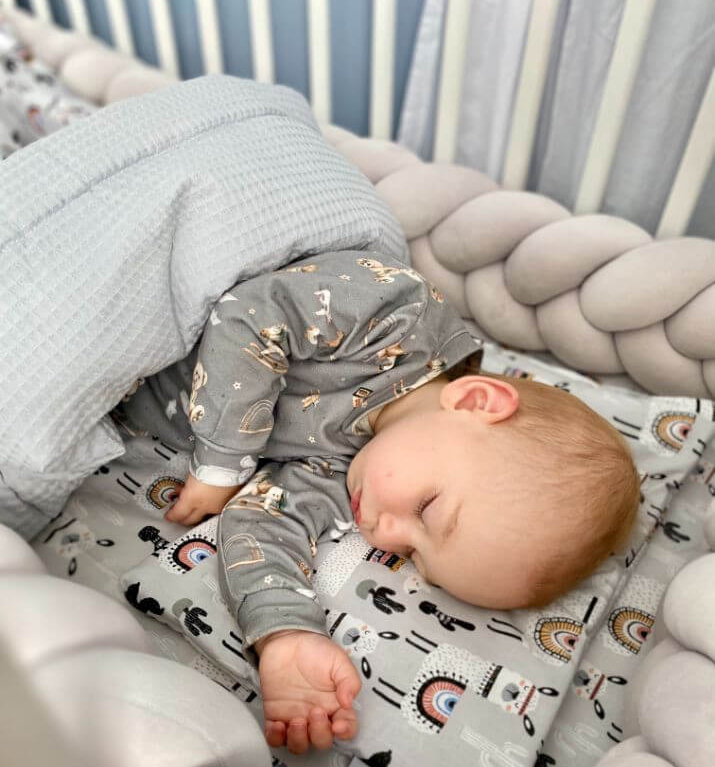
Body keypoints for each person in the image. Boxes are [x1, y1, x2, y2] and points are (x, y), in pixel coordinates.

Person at [115, 251, 640, 755]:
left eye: (412, 556)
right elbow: (252, 313)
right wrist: (222, 463)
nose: (385, 534)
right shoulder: (399, 317)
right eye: (428, 510)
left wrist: (287, 635)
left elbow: (263, 526)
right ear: (475, 401)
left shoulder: (347, 472)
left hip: (122, 387)